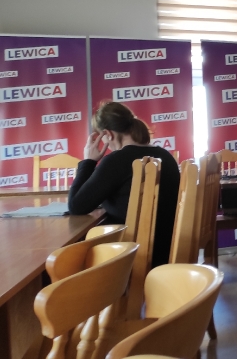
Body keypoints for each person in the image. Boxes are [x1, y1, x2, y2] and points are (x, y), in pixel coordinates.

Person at [68, 102, 181, 268]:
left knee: (73, 253)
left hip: (132, 253)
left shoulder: (117, 161)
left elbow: (76, 206)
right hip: (167, 248)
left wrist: (88, 161)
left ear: (108, 134)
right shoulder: (165, 155)